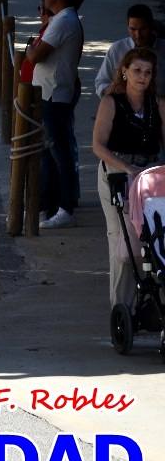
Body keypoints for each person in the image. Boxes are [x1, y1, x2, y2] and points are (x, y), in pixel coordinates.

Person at [92, 48, 165, 309]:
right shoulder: (111, 102)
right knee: (124, 245)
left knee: (155, 241)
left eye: (147, 72)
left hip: (149, 175)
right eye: (136, 71)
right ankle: (121, 308)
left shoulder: (157, 105)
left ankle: (154, 305)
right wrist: (126, 168)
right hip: (117, 172)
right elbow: (98, 146)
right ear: (124, 71)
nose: (141, 77)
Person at [26, 0, 85, 230]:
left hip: (54, 95)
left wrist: (29, 48)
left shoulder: (64, 21)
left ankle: (66, 207)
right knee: (48, 155)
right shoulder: (61, 20)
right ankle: (47, 206)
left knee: (59, 154)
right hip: (48, 94)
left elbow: (36, 55)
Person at [95, 4, 165, 97]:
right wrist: (112, 90)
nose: (138, 35)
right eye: (133, 29)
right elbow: (101, 83)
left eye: (143, 29)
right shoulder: (117, 49)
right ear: (127, 27)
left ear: (151, 26)